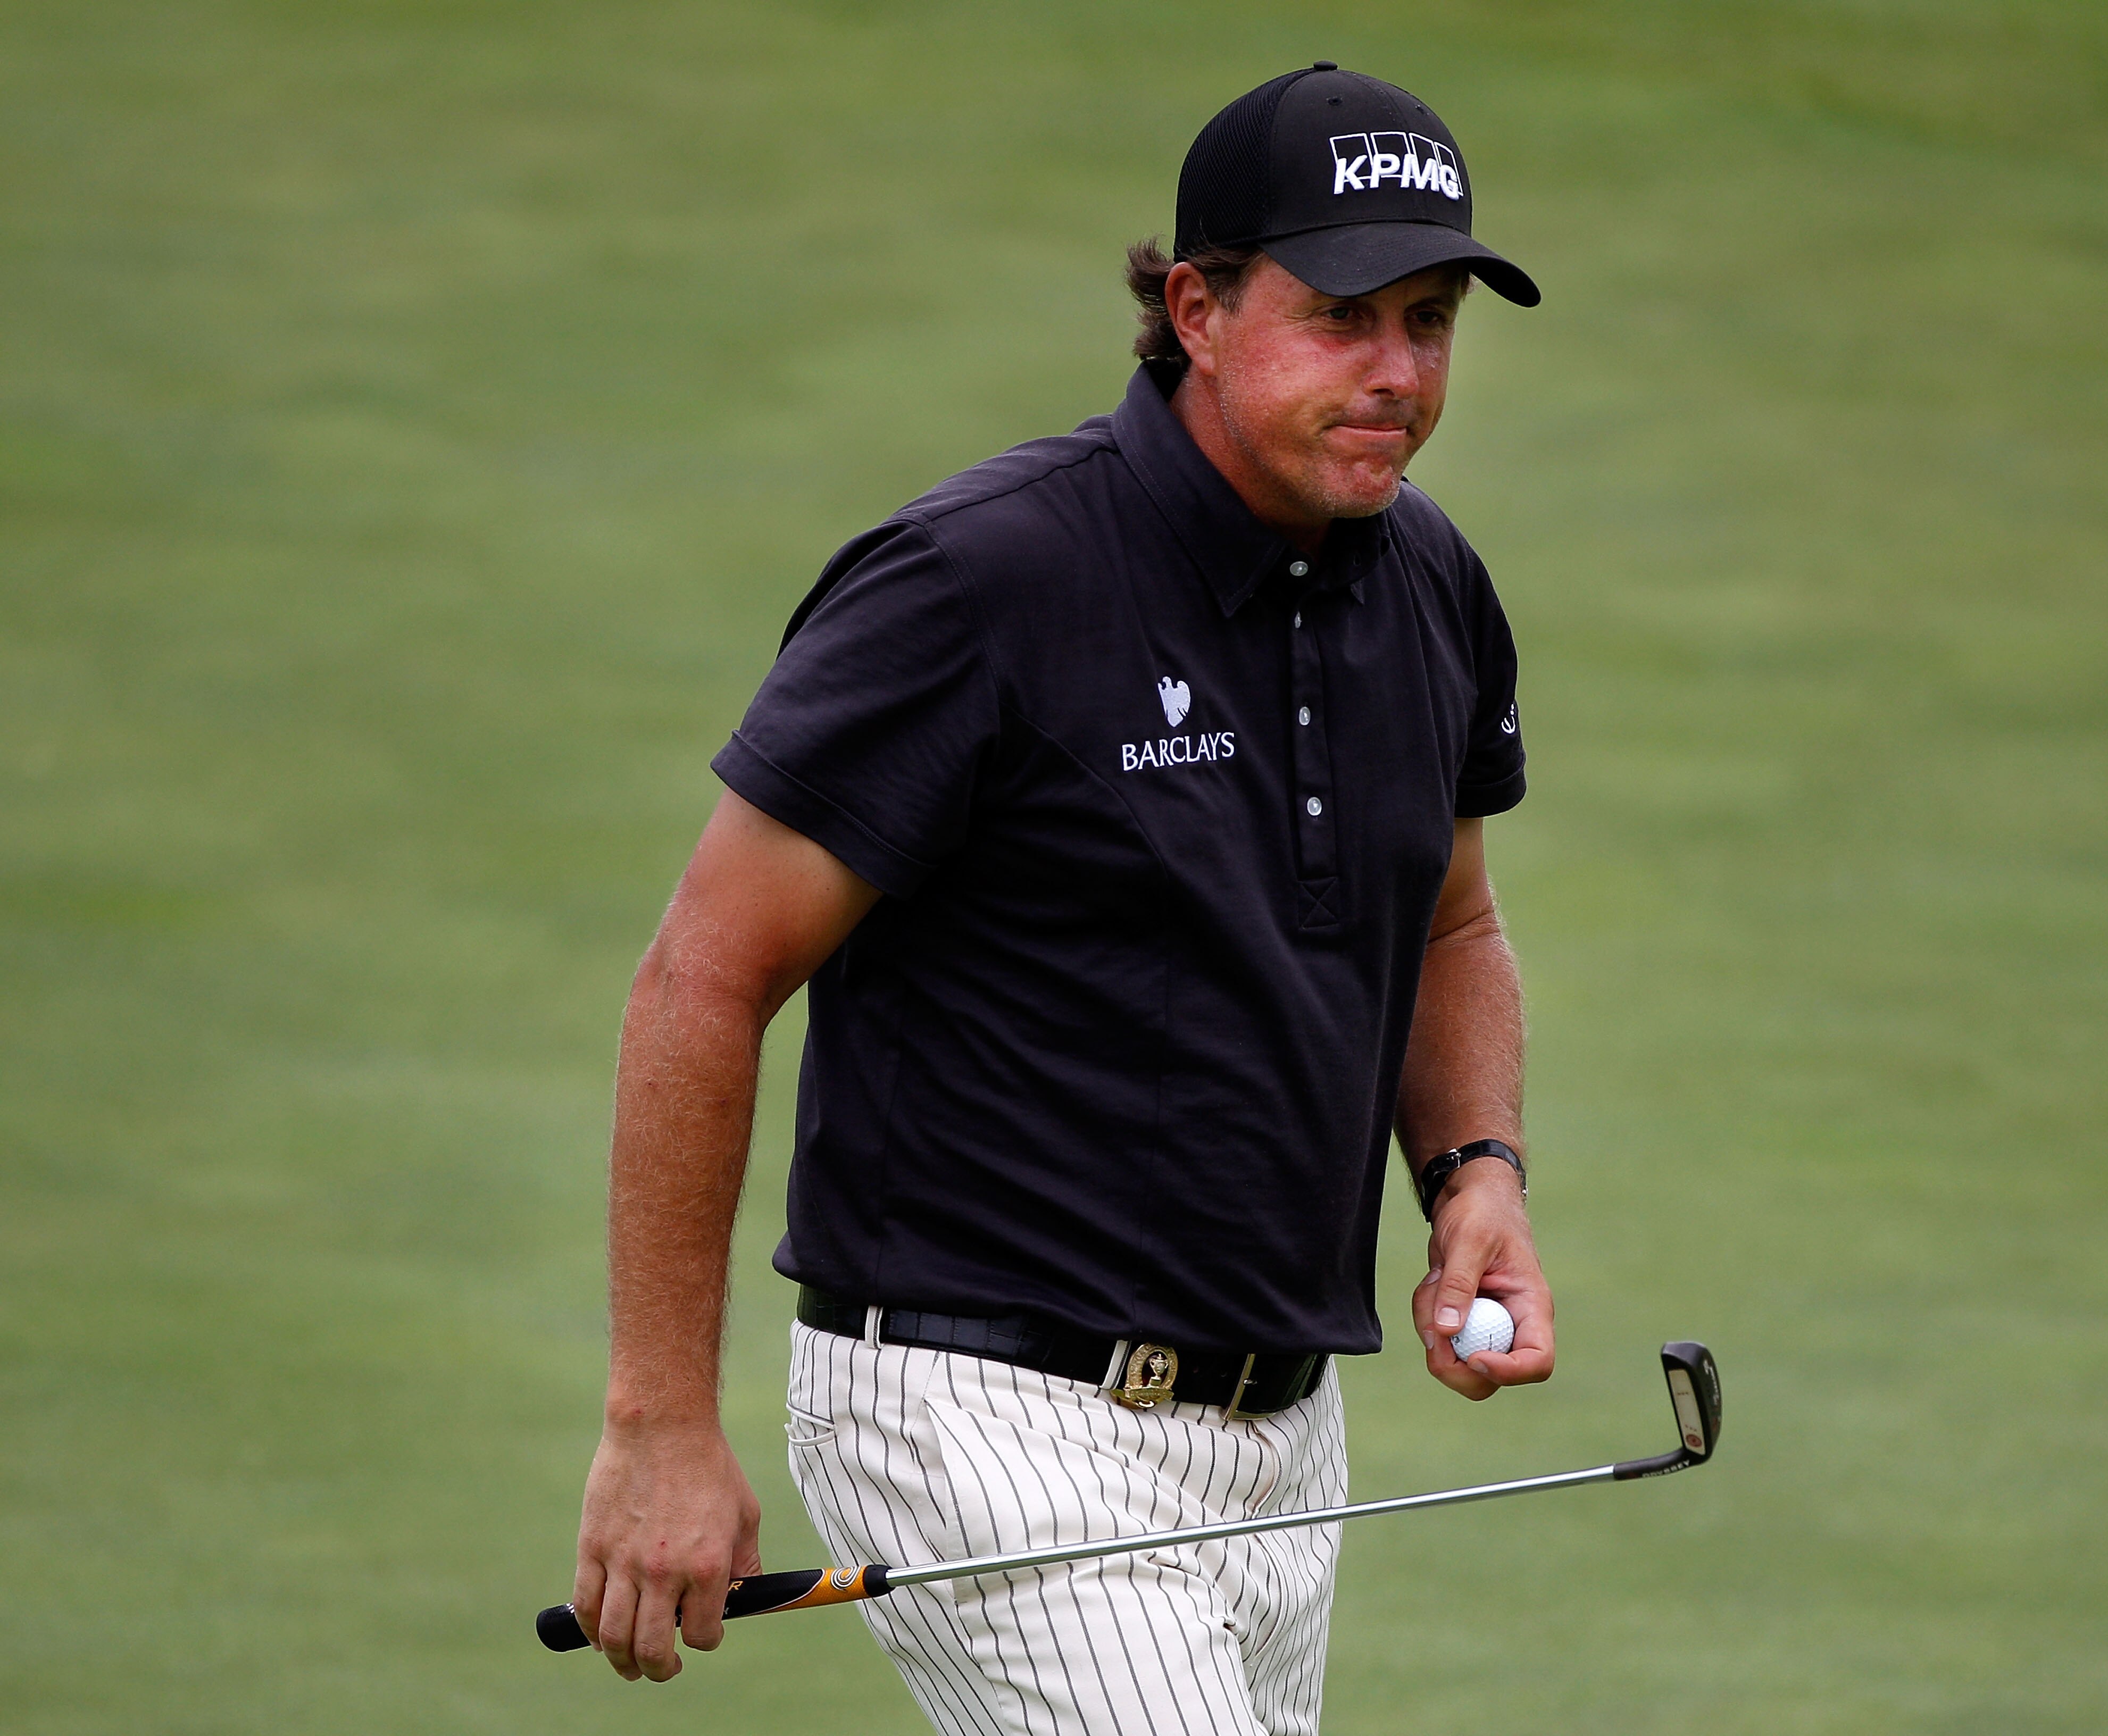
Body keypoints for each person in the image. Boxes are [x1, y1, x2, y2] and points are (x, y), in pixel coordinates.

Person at [569, 62, 1551, 1735]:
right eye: (1342, 317)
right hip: (988, 1416)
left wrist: (1474, 1169)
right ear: (1200, 308)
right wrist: (661, 1424)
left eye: (1432, 318)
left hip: (1282, 1436)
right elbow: (702, 979)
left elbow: (1451, 922)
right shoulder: (984, 583)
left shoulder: (1430, 583)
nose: (1398, 374)